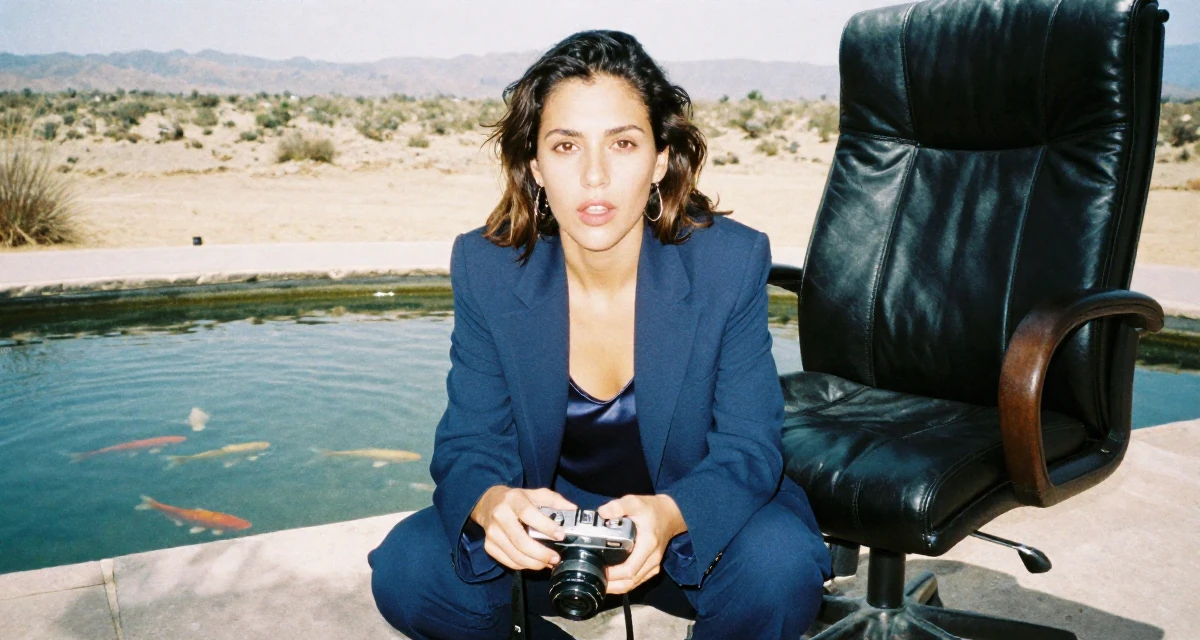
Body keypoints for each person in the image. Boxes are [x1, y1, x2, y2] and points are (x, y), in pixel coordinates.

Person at [368, 30, 831, 639]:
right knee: (409, 569)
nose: (594, 176)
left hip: (686, 530)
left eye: (622, 143)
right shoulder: (486, 268)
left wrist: (670, 515)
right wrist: (492, 504)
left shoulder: (729, 262)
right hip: (550, 542)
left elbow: (749, 447)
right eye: (565, 146)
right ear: (534, 165)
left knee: (779, 567)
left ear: (660, 159)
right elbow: (468, 442)